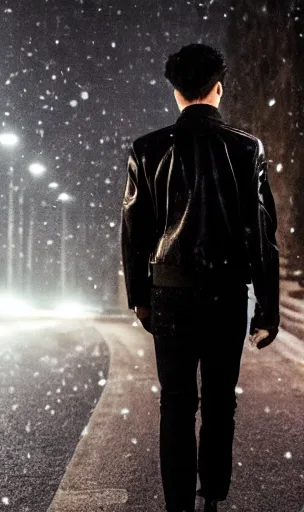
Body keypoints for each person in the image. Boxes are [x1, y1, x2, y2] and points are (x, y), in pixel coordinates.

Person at [121, 44, 279, 512]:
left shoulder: (147, 148)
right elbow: (261, 232)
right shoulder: (247, 147)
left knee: (175, 404)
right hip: (226, 293)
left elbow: (135, 230)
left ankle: (178, 505)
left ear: (175, 92)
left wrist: (140, 297)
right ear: (218, 87)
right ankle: (212, 496)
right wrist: (267, 308)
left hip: (169, 294)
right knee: (218, 403)